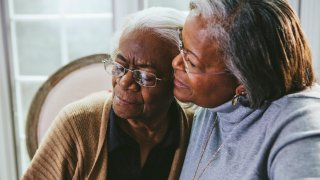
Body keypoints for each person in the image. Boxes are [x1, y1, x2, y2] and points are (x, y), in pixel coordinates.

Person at [23, 7, 193, 180]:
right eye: (119, 67)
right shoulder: (77, 123)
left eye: (144, 76)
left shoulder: (195, 130)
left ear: (178, 79)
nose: (124, 81)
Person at [172, 0, 320, 179]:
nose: (175, 62)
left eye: (191, 62)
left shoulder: (300, 127)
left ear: (243, 83)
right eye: (181, 44)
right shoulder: (213, 104)